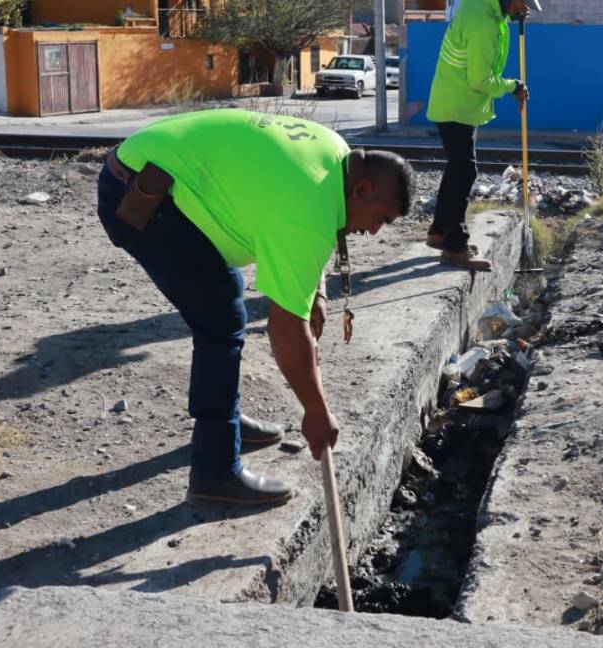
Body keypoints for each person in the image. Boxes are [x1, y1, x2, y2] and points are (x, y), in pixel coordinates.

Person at [96, 109, 414, 506]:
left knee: (224, 291)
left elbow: (312, 220)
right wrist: (316, 411)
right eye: (380, 218)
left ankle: (224, 425)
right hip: (141, 195)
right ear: (362, 190)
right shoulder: (309, 206)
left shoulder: (336, 156)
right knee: (221, 319)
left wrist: (317, 290)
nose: (374, 231)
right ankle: (215, 472)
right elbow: (285, 328)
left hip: (153, 170)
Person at [425, 0, 539, 271]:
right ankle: (454, 246)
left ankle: (439, 232)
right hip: (458, 105)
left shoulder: (484, 9)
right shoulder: (484, 25)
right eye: (524, 3)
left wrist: (511, 17)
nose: (526, 9)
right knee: (464, 172)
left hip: (454, 101)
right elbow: (480, 79)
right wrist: (514, 86)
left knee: (457, 169)